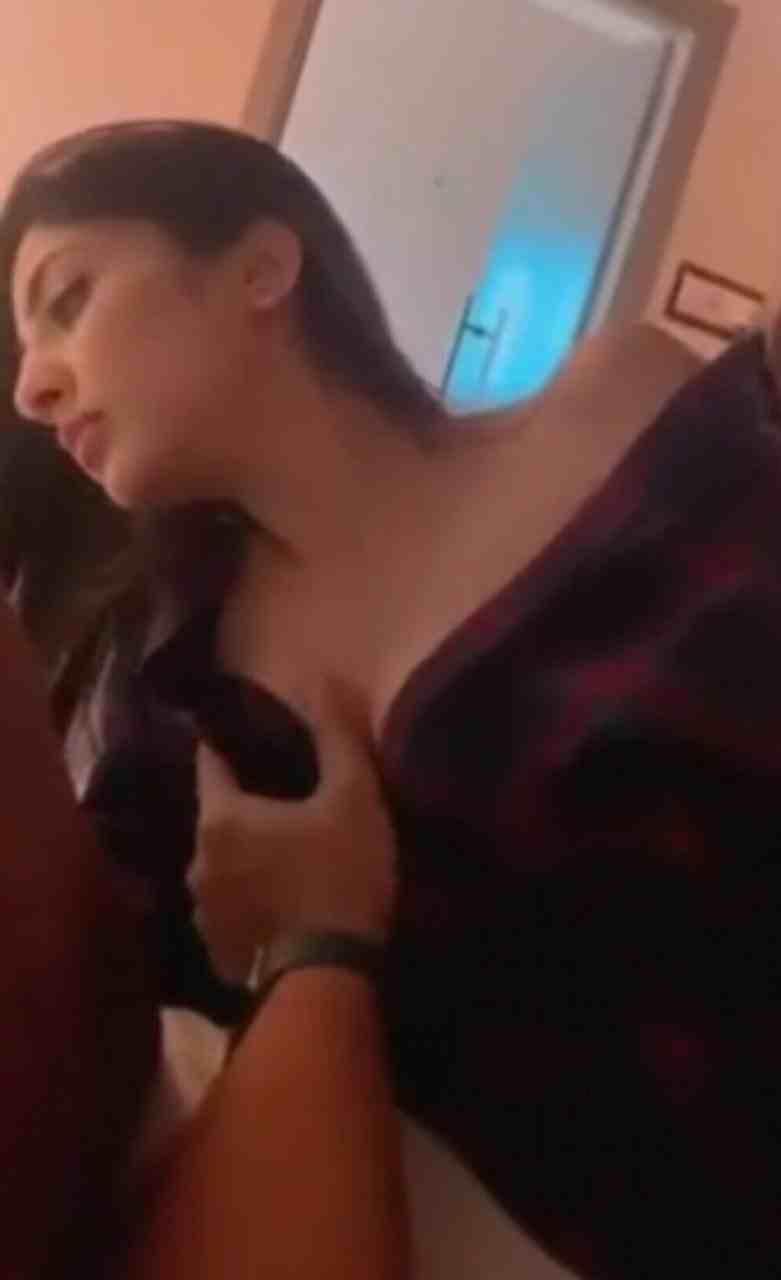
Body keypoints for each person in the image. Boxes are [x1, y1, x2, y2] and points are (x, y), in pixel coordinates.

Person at [4, 119, 781, 1278]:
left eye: (68, 299)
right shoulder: (190, 717)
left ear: (263, 265)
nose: (32, 386)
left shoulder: (622, 402)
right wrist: (293, 944)